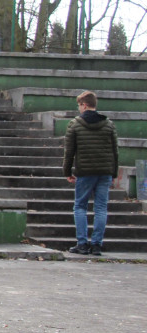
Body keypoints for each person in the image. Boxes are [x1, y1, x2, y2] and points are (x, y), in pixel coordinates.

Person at [63, 90, 119, 256]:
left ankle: (82, 243)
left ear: (84, 105)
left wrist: (67, 171)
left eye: (79, 105)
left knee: (80, 206)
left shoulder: (75, 124)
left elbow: (69, 151)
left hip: (85, 172)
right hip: (104, 172)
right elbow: (115, 151)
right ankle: (96, 245)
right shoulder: (109, 124)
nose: (79, 108)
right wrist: (114, 172)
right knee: (101, 207)